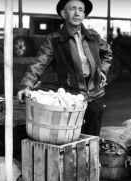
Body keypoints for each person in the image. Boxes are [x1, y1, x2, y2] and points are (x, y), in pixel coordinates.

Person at [17, 0, 112, 136]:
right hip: (71, 98)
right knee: (71, 138)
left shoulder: (94, 36)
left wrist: (102, 70)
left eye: (80, 10)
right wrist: (26, 85)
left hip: (96, 95)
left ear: (84, 15)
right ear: (63, 13)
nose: (77, 13)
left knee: (92, 139)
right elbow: (39, 63)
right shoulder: (53, 39)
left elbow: (107, 53)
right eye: (72, 9)